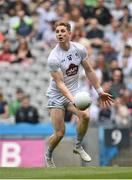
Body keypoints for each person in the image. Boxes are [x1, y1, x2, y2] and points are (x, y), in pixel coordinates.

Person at [45, 21, 114, 168]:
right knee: (59, 134)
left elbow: (89, 70)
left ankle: (78, 145)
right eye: (57, 32)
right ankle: (48, 154)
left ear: (70, 33)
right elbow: (60, 83)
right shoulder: (53, 57)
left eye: (63, 31)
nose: (60, 34)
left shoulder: (79, 49)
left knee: (86, 116)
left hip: (74, 91)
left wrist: (100, 91)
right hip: (56, 96)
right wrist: (73, 100)